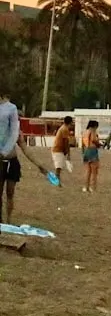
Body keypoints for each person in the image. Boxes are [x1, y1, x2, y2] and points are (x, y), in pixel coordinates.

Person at [1, 94, 47, 224]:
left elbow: (26, 149)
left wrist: (39, 165)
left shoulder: (16, 133)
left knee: (10, 193)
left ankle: (8, 220)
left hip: (12, 162)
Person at [51, 116, 74, 187]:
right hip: (58, 150)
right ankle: (57, 183)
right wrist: (67, 152)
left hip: (58, 149)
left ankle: (57, 182)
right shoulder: (65, 129)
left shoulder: (63, 128)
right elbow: (66, 142)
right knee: (58, 167)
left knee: (59, 167)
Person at [81, 120, 102, 193]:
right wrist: (98, 144)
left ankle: (86, 187)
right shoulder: (92, 131)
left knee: (88, 171)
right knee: (94, 171)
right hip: (92, 151)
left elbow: (82, 144)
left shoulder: (85, 132)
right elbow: (93, 140)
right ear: (94, 126)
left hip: (86, 151)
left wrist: (83, 153)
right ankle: (93, 188)